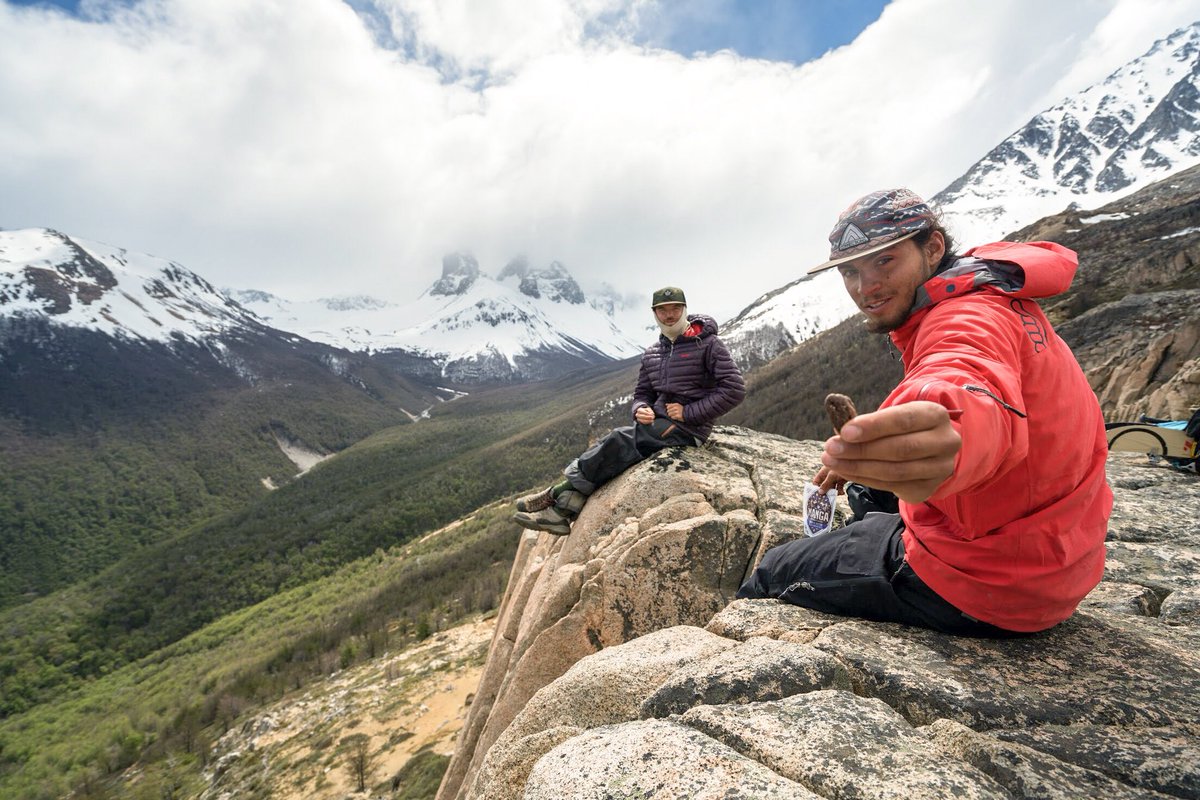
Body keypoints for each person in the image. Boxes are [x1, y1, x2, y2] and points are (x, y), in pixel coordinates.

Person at [738, 188, 1113, 635]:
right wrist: (881, 451)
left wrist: (948, 438)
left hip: (988, 583)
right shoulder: (991, 293)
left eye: (884, 261)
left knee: (771, 573)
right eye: (850, 272)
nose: (864, 287)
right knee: (867, 491)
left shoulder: (968, 318)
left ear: (932, 247)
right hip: (1052, 555)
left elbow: (965, 385)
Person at [513, 286, 745, 536]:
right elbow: (642, 393)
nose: (669, 315)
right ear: (655, 313)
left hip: (687, 429)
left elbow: (734, 390)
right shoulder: (653, 353)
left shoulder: (708, 344)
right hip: (658, 423)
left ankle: (556, 495)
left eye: (675, 309)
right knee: (611, 443)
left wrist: (689, 412)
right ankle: (562, 510)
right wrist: (641, 408)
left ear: (685, 310)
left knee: (619, 440)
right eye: (663, 310)